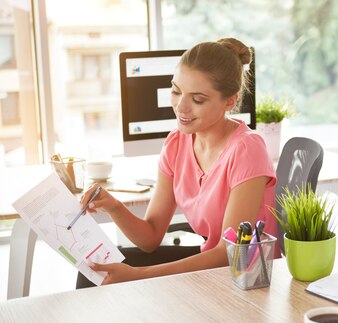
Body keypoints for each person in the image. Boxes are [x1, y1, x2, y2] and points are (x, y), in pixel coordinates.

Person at [77, 38, 276, 287]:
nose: (181, 106)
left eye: (198, 99)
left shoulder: (247, 149)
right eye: (176, 91)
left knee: (122, 279)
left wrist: (139, 276)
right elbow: (150, 237)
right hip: (212, 267)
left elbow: (230, 253)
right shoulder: (177, 143)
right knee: (92, 272)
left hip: (246, 277)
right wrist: (114, 206)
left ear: (229, 101)